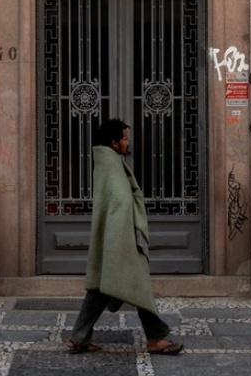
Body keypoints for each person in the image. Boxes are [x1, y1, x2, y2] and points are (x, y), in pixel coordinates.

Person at [65, 118, 184, 356]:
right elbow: (120, 203)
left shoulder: (108, 163)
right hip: (122, 237)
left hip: (117, 236)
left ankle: (79, 337)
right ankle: (155, 337)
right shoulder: (111, 166)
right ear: (114, 142)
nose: (128, 142)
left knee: (101, 286)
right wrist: (124, 238)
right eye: (125, 138)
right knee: (137, 285)